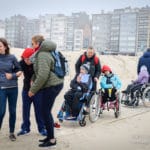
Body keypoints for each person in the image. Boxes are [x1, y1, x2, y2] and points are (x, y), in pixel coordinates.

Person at [28, 40, 64, 147]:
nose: (32, 46)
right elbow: (41, 71)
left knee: (45, 111)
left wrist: (32, 90)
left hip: (52, 86)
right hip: (55, 84)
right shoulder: (47, 53)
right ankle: (49, 136)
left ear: (40, 45)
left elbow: (43, 75)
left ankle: (52, 139)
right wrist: (33, 78)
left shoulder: (43, 55)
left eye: (33, 43)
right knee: (45, 111)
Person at [17, 48, 47, 136]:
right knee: (25, 110)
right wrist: (18, 72)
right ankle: (25, 128)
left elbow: (42, 75)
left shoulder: (38, 63)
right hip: (26, 90)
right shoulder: (21, 63)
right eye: (25, 59)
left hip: (38, 90)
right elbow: (17, 70)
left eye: (28, 59)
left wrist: (34, 80)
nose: (26, 61)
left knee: (39, 111)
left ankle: (42, 129)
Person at [0, 38, 22, 141]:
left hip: (13, 88)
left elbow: (19, 70)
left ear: (5, 46)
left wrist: (12, 75)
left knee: (12, 111)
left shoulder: (12, 57)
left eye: (0, 46)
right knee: (1, 112)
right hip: (1, 89)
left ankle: (12, 133)